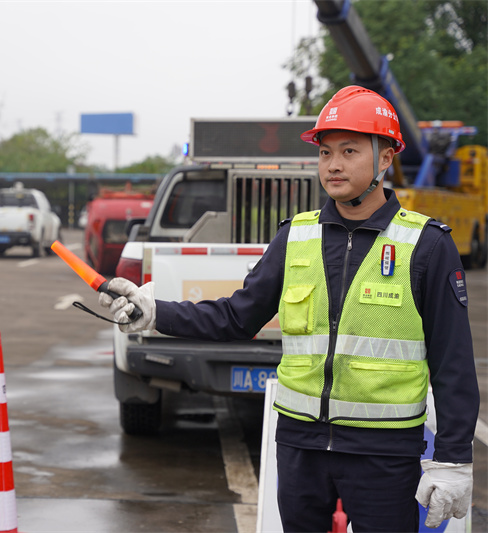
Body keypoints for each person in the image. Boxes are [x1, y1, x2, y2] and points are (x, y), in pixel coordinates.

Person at [99, 86, 479, 532]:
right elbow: (235, 316)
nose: (333, 165)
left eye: (350, 151)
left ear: (385, 158)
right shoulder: (296, 237)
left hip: (384, 455)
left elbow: (453, 362)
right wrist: (154, 313)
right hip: (300, 450)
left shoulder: (427, 245)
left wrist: (453, 459)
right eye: (325, 153)